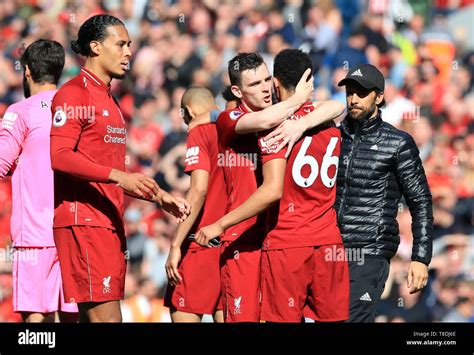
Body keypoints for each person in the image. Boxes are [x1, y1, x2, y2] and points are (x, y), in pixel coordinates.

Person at [267, 63, 434, 323]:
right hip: (326, 248)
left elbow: (420, 200)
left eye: (361, 92)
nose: (353, 98)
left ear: (379, 97)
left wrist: (420, 258)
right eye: (349, 91)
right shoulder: (330, 136)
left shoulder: (398, 143)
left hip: (369, 253)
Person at [49, 14, 189, 323]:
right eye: (121, 44)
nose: (129, 52)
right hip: (84, 220)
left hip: (109, 221)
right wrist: (118, 176)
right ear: (96, 47)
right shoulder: (74, 94)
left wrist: (158, 195)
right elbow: (58, 156)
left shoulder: (110, 100)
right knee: (109, 321)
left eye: (130, 45)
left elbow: (113, 170)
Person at [196, 49, 348, 322]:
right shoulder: (231, 119)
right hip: (242, 236)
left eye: (267, 80)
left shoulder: (284, 120)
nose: (265, 89)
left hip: (278, 237)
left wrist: (302, 121)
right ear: (237, 91)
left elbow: (337, 106)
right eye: (255, 84)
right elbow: (265, 120)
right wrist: (301, 101)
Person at [0, 39, 78, 323]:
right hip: (72, 230)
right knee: (71, 315)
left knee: (36, 318)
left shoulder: (20, 112)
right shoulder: (74, 112)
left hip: (34, 234)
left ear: (28, 71)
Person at [164, 87, 226, 323]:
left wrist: (175, 244)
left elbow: (198, 190)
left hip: (200, 243)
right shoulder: (237, 128)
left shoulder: (199, 132)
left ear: (188, 111)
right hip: (232, 244)